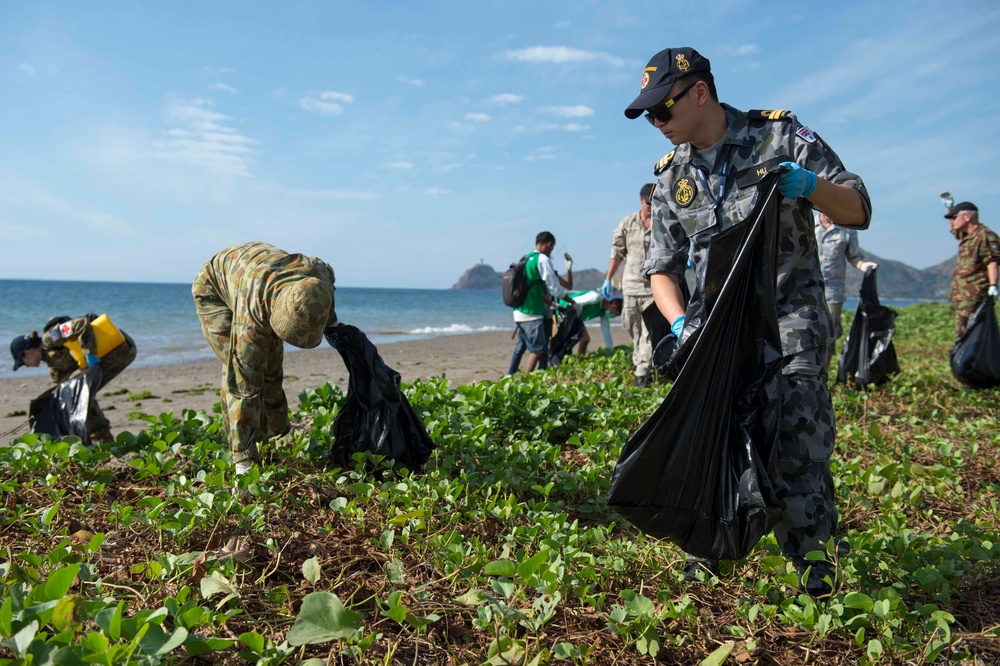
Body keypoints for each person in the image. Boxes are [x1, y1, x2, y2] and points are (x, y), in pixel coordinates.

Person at [625, 46, 871, 596]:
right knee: (714, 436)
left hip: (790, 317)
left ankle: (816, 574)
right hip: (717, 334)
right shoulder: (670, 178)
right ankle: (709, 553)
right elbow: (661, 268)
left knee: (795, 440)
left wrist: (810, 186)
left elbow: (858, 206)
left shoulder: (780, 137)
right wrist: (683, 321)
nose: (656, 125)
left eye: (662, 111)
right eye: (648, 116)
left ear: (700, 92)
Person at [192, 241, 339, 475]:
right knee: (243, 371)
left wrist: (342, 334)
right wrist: (243, 462)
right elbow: (242, 383)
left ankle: (278, 441)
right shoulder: (254, 312)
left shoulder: (320, 279)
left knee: (271, 372)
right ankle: (248, 452)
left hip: (261, 277)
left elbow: (325, 306)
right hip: (214, 288)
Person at [10, 313, 138, 443]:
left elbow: (80, 324)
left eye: (22, 363)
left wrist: (90, 354)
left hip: (120, 348)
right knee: (74, 393)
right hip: (114, 355)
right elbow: (58, 388)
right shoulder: (52, 363)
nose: (26, 366)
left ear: (26, 353)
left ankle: (102, 436)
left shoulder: (50, 338)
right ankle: (100, 437)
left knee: (80, 392)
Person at [602, 183, 657, 388]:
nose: (652, 206)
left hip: (654, 287)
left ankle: (642, 373)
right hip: (631, 285)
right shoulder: (627, 223)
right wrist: (608, 278)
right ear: (641, 200)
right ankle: (641, 362)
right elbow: (617, 252)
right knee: (631, 326)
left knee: (648, 330)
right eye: (648, 202)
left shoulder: (663, 221)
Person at [815, 212, 878, 367]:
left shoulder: (846, 228)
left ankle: (822, 376)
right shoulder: (808, 222)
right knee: (807, 330)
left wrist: (863, 266)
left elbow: (854, 255)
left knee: (828, 333)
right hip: (806, 286)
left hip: (833, 290)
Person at [507, 232, 574, 375]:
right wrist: (572, 302)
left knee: (525, 348)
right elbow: (555, 289)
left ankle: (512, 376)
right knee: (538, 350)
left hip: (518, 311)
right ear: (549, 244)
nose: (551, 252)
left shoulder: (526, 258)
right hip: (531, 313)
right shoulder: (543, 260)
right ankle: (527, 382)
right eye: (551, 248)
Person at [946, 202, 1000, 337]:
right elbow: (954, 230)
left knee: (970, 332)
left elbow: (992, 261)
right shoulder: (967, 237)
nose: (952, 221)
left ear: (967, 216)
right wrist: (950, 208)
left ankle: (969, 358)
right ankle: (965, 357)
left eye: (955, 217)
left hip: (974, 294)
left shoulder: (985, 236)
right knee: (964, 330)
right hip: (962, 294)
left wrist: (993, 285)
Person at [558, 290, 623, 354]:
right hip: (563, 310)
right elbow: (572, 303)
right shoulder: (595, 297)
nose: (613, 316)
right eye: (615, 314)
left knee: (585, 339)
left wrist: (610, 351)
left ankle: (579, 359)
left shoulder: (603, 312)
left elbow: (606, 332)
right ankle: (578, 359)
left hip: (575, 317)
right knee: (579, 339)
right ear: (614, 307)